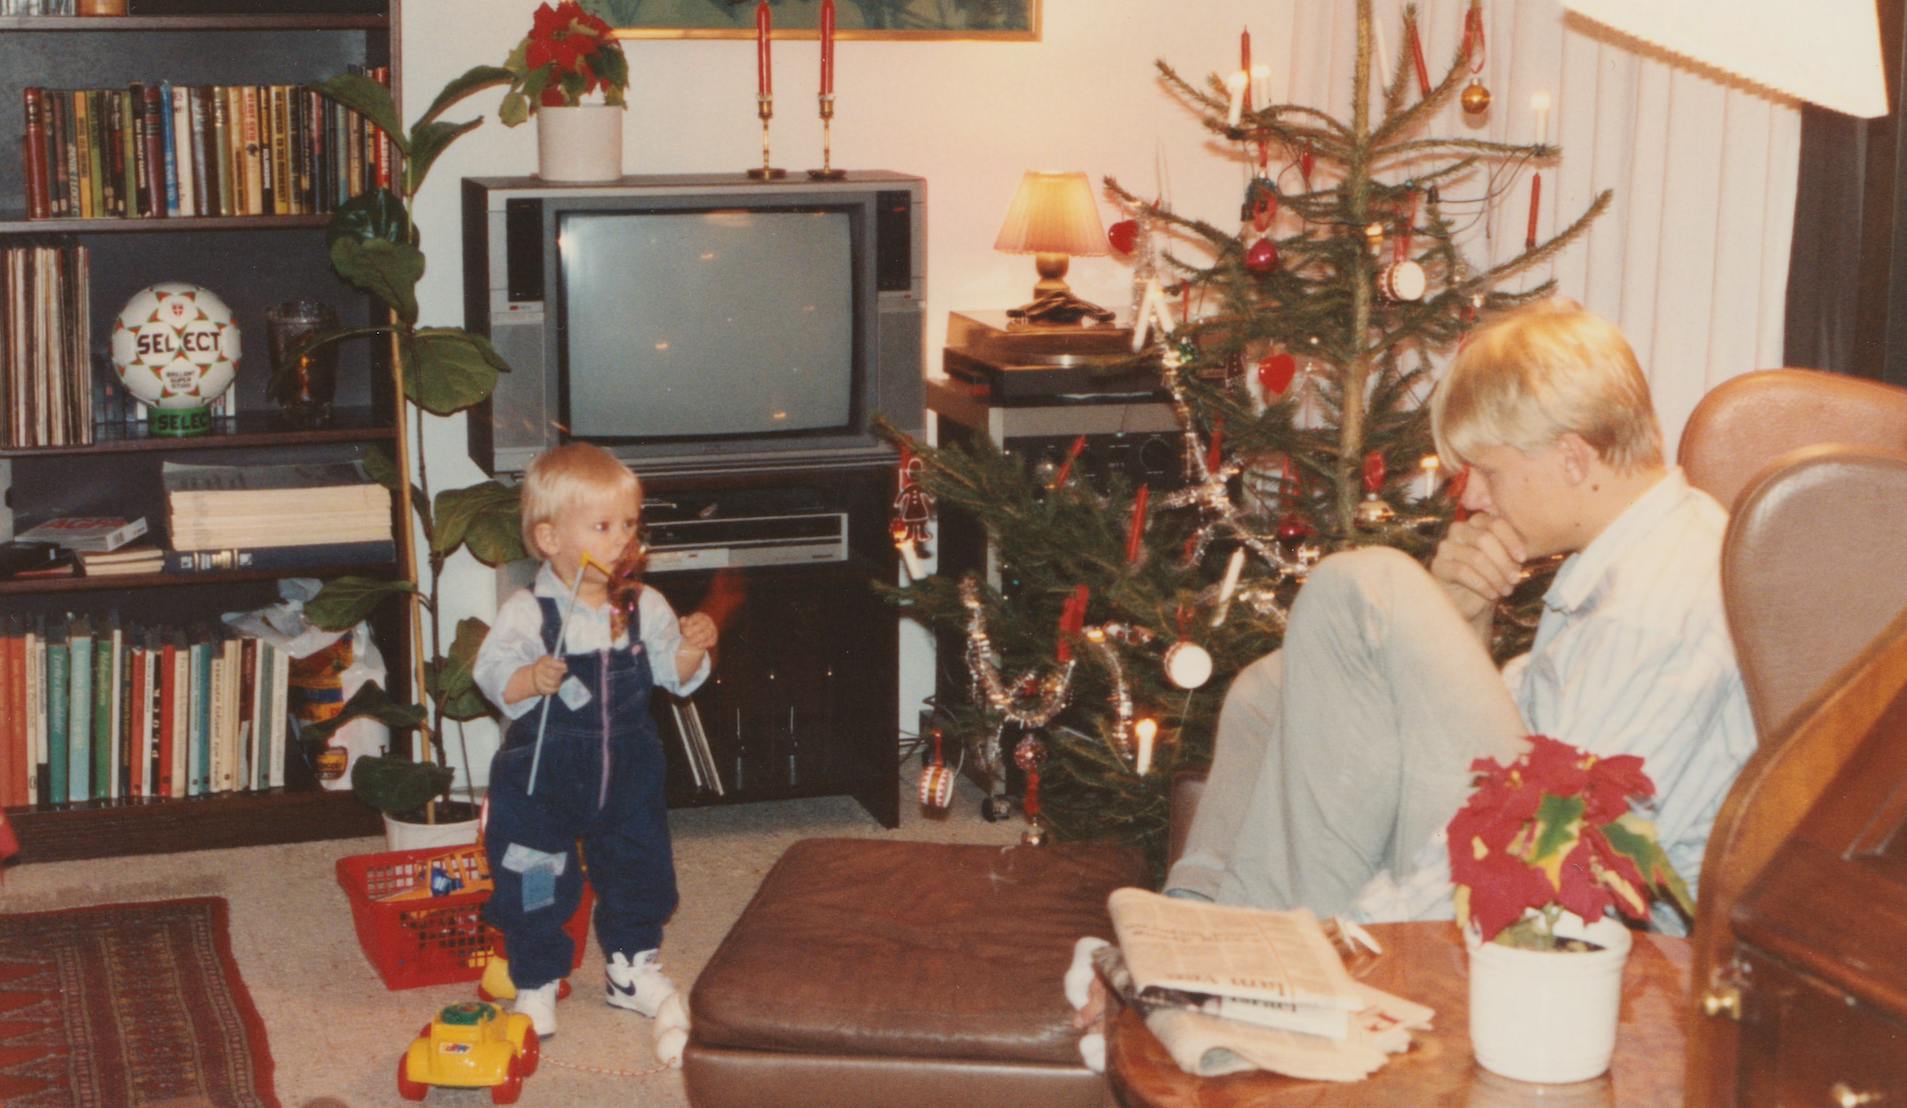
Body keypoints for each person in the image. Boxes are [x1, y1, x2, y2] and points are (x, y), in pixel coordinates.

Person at [1165, 301, 1755, 933]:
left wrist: (1360, 931)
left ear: (1573, 458)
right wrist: (1466, 613)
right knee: (1266, 691)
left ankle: (1258, 955)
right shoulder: (1632, 554)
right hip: (1530, 836)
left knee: (1366, 586)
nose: (1471, 496)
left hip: (1572, 925)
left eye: (1488, 471)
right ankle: (1188, 922)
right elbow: (1508, 740)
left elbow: (1551, 842)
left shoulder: (1654, 606)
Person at [474, 442, 718, 1038]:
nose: (622, 540)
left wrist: (692, 647)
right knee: (534, 876)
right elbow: (493, 674)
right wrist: (529, 678)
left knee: (640, 870)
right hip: (543, 779)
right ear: (550, 538)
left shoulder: (643, 605)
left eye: (629, 525)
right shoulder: (528, 611)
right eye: (603, 527)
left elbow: (673, 675)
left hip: (628, 771)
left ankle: (630, 969)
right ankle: (536, 979)